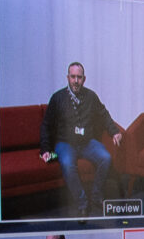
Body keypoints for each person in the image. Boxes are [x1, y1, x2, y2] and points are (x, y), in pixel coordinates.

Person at [40, 61, 123, 217]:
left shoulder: (91, 96)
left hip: (87, 143)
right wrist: (45, 149)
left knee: (105, 158)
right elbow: (46, 124)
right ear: (67, 78)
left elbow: (103, 114)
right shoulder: (57, 98)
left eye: (79, 77)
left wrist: (114, 132)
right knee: (66, 163)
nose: (76, 81)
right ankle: (82, 202)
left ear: (84, 79)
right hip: (65, 143)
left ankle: (96, 195)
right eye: (73, 77)